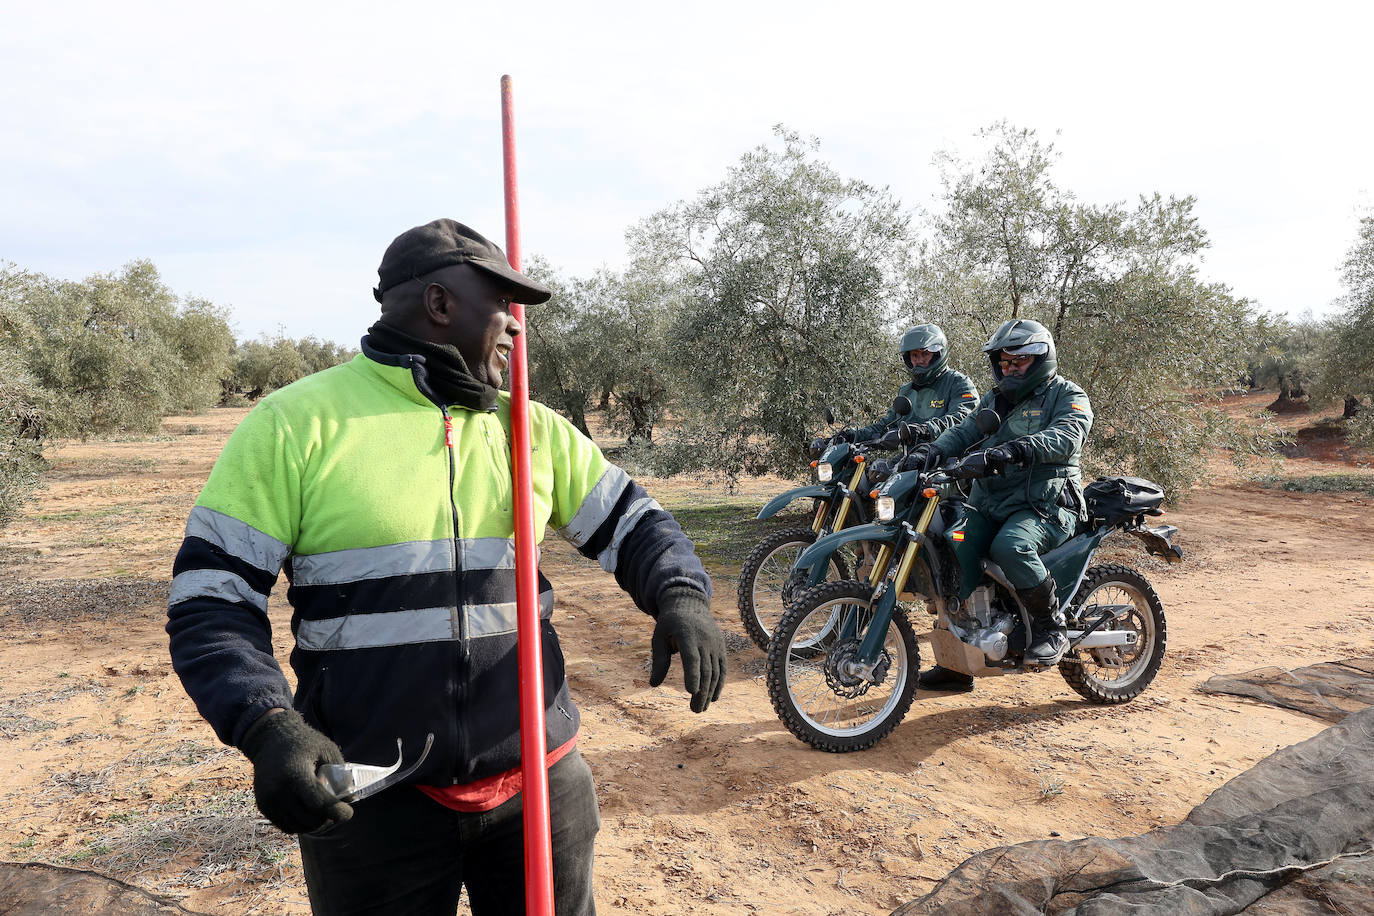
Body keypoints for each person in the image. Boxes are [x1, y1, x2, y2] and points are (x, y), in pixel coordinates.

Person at [166, 218, 727, 915]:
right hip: (369, 801)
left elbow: (636, 525)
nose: (516, 326)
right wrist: (265, 724)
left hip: (538, 784)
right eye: (502, 305)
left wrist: (681, 595)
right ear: (439, 303)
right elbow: (211, 602)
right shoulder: (293, 426)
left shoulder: (530, 428)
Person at [911, 318, 1092, 692]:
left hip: (1044, 504)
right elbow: (965, 431)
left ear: (1041, 358)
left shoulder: (1067, 394)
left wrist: (1016, 449)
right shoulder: (995, 399)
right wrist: (932, 450)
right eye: (1005, 362)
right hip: (991, 501)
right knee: (950, 548)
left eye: (1019, 361)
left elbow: (1068, 435)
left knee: (1011, 547)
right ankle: (959, 661)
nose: (1010, 368)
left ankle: (1051, 627)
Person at [833, 324, 978, 449]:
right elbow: (886, 425)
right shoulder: (906, 391)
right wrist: (853, 435)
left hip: (946, 460)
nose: (919, 360)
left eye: (925, 354)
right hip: (911, 458)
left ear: (938, 354)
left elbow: (963, 418)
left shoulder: (958, 383)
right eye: (914, 355)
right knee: (878, 471)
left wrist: (926, 430)